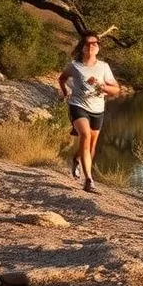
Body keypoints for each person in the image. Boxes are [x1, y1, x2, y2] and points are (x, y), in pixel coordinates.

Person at [57, 31, 120, 193]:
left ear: (98, 48)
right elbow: (62, 78)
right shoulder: (74, 66)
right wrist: (65, 92)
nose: (92, 46)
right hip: (78, 105)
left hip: (98, 109)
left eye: (95, 43)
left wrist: (102, 86)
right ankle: (89, 180)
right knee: (84, 136)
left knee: (91, 145)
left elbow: (116, 90)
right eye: (88, 44)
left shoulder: (104, 67)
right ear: (82, 47)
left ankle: (76, 159)